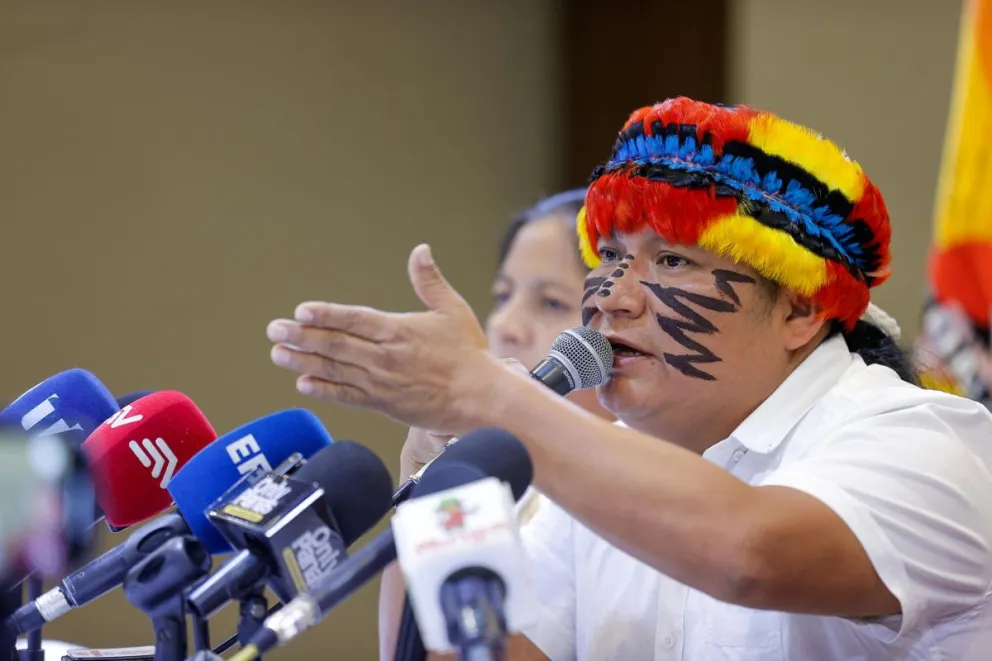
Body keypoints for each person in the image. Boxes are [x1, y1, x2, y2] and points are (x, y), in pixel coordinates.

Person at [266, 97, 992, 660]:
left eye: (670, 261)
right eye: (609, 256)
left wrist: (494, 396)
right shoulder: (602, 474)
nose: (612, 295)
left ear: (801, 307)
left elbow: (750, 550)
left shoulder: (925, 442)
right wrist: (441, 493)